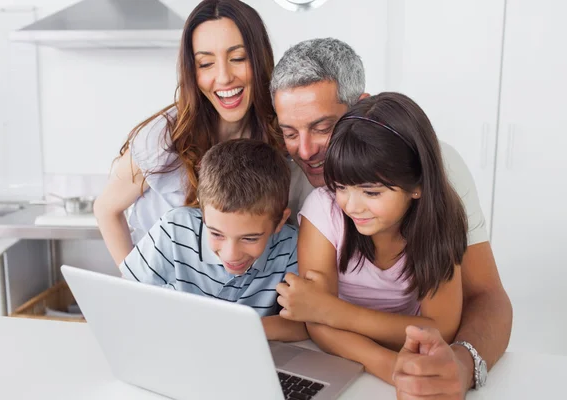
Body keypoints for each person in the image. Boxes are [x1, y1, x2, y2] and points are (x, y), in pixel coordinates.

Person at [270, 38, 512, 398]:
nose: (305, 151)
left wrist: (460, 366)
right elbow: (313, 316)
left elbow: (480, 299)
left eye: (323, 128)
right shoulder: (306, 195)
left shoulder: (431, 176)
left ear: (361, 110)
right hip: (331, 361)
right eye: (290, 133)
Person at [275, 92, 467, 383]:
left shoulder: (439, 222)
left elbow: (441, 329)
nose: (352, 206)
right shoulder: (324, 210)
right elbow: (315, 323)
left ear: (416, 185)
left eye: (372, 192)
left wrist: (332, 312)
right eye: (341, 186)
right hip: (349, 361)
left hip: (402, 353)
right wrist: (390, 366)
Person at [94, 0, 282, 265]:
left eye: (238, 59)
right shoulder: (165, 138)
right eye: (206, 64)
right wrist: (135, 283)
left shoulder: (280, 133)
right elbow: (106, 208)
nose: (224, 77)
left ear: (260, 58)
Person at [119, 139, 307, 342]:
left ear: (279, 221)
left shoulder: (291, 246)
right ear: (203, 212)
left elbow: (304, 325)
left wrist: (228, 329)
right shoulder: (174, 229)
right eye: (216, 234)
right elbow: (127, 303)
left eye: (250, 238)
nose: (231, 255)